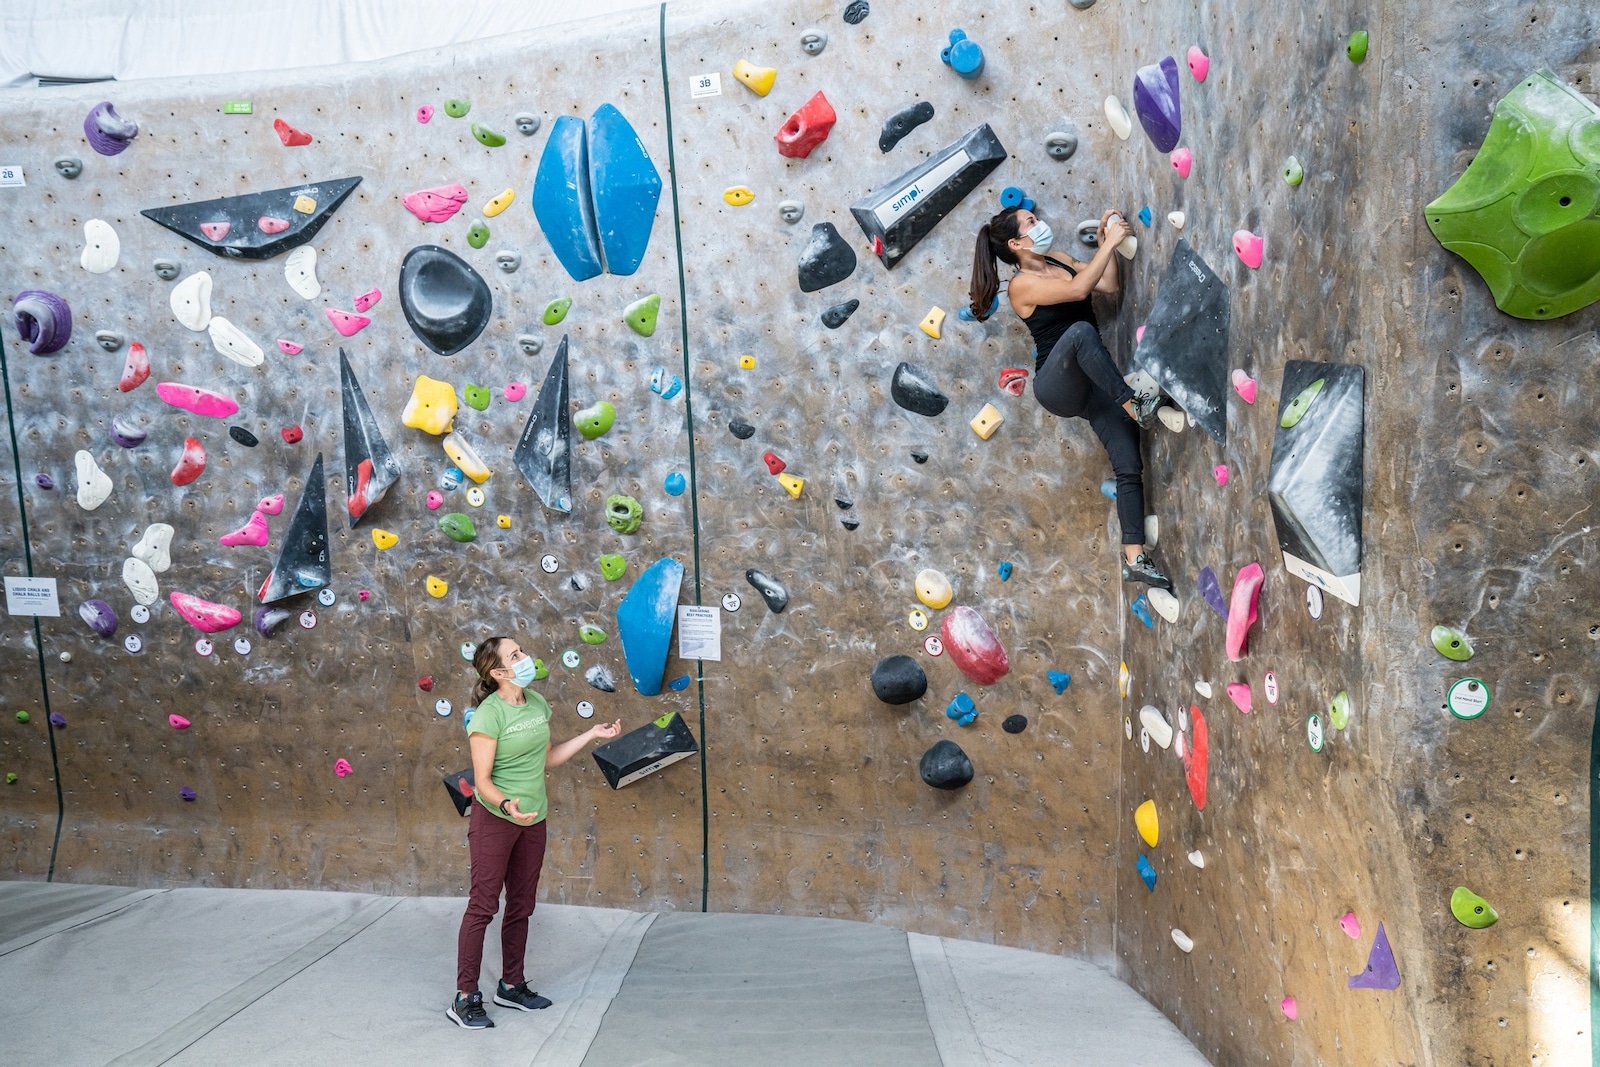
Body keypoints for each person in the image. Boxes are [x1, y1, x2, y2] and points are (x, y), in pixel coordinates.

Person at [969, 205, 1172, 591]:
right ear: (1015, 242)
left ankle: (1134, 558)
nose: (1040, 223)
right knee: (1079, 331)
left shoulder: (1058, 259)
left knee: (1129, 463)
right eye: (1031, 222)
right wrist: (1110, 242)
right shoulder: (1019, 285)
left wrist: (1103, 243)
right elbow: (1078, 290)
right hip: (1057, 384)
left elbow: (1106, 284)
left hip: (1096, 385)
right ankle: (1134, 404)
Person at [447, 635, 622, 1030]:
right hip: (497, 819)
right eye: (516, 655)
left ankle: (511, 985)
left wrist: (591, 734)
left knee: (522, 905)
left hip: (533, 820)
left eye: (522, 650)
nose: (526, 658)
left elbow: (548, 759)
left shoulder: (537, 703)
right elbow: (482, 781)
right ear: (499, 672)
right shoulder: (488, 715)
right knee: (483, 907)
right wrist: (508, 806)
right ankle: (464, 996)